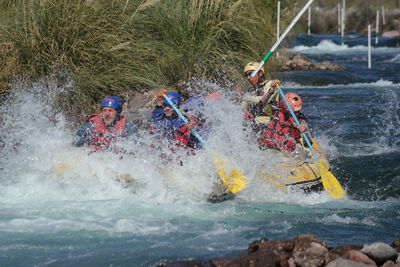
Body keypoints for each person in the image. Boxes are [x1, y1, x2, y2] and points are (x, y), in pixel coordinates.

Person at [73, 96, 139, 152]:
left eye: (110, 110)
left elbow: (136, 148)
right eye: (104, 110)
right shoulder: (91, 124)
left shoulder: (127, 126)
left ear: (118, 112)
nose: (107, 114)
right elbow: (75, 145)